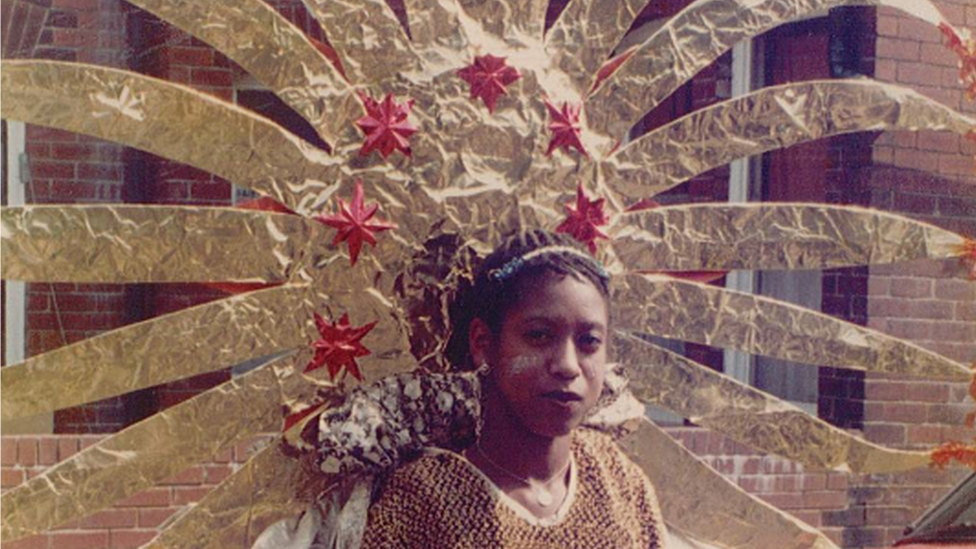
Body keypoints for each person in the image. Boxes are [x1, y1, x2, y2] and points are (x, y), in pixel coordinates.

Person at [359, 230, 667, 548]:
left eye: (589, 342)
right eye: (539, 335)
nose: (568, 365)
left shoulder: (620, 483)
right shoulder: (423, 500)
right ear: (483, 343)